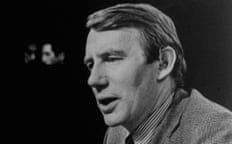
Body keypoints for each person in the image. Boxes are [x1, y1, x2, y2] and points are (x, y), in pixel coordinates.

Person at [83, 3, 232, 144]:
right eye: (91, 65)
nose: (93, 80)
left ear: (163, 63)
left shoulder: (217, 134)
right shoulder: (117, 132)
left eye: (112, 59)